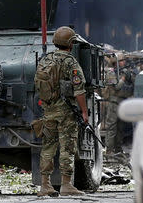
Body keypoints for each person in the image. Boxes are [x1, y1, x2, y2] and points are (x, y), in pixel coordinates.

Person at [35, 26, 88, 197]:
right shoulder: (70, 62)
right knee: (67, 147)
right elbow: (79, 90)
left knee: (48, 146)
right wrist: (84, 112)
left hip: (48, 110)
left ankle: (45, 185)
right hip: (66, 112)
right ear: (70, 44)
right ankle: (66, 185)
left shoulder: (45, 60)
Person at [105, 54, 134, 154]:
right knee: (111, 127)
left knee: (121, 128)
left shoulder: (124, 72)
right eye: (122, 61)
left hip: (123, 102)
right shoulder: (111, 72)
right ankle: (109, 150)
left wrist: (129, 75)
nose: (124, 63)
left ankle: (118, 148)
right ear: (115, 62)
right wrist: (123, 78)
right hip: (114, 102)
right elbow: (116, 87)